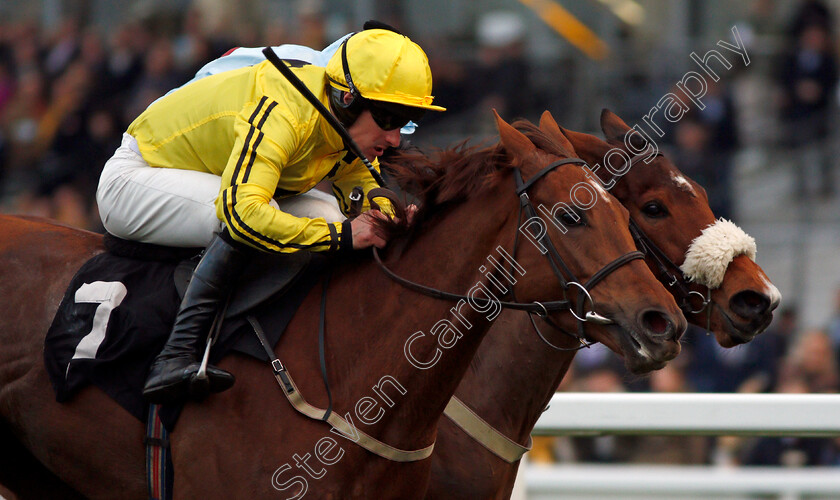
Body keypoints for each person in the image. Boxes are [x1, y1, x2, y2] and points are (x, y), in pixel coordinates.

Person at [95, 24, 445, 404]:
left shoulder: (337, 119)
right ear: (346, 98)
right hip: (135, 177)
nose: (395, 138)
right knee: (251, 216)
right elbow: (241, 213)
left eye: (408, 119)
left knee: (328, 213)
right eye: (388, 118)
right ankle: (176, 354)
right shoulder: (285, 109)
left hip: (203, 174)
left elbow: (357, 181)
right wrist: (345, 237)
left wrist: (386, 218)